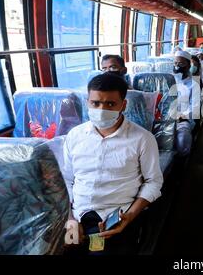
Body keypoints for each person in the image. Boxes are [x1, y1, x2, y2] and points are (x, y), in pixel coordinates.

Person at [63, 73, 163, 255]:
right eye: (95, 103)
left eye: (110, 104)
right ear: (87, 102)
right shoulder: (74, 136)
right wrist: (70, 219)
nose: (101, 110)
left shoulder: (142, 138)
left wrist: (130, 216)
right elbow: (67, 180)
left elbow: (153, 182)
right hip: (77, 216)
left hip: (117, 217)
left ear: (123, 105)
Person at [172, 50, 201, 157]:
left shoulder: (194, 85)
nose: (177, 66)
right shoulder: (169, 81)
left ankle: (181, 160)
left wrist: (183, 116)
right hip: (167, 117)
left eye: (181, 64)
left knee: (182, 139)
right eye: (175, 63)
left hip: (184, 118)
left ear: (188, 65)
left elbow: (195, 107)